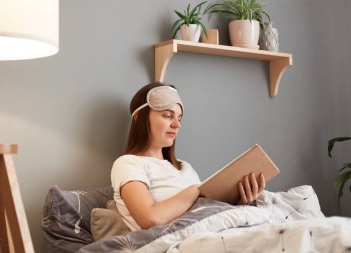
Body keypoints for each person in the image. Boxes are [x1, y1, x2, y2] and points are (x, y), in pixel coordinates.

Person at [111, 82, 266, 231]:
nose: (177, 125)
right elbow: (150, 219)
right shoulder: (128, 164)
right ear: (139, 118)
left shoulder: (185, 167)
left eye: (179, 118)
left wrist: (241, 202)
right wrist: (195, 190)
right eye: (167, 116)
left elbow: (205, 209)